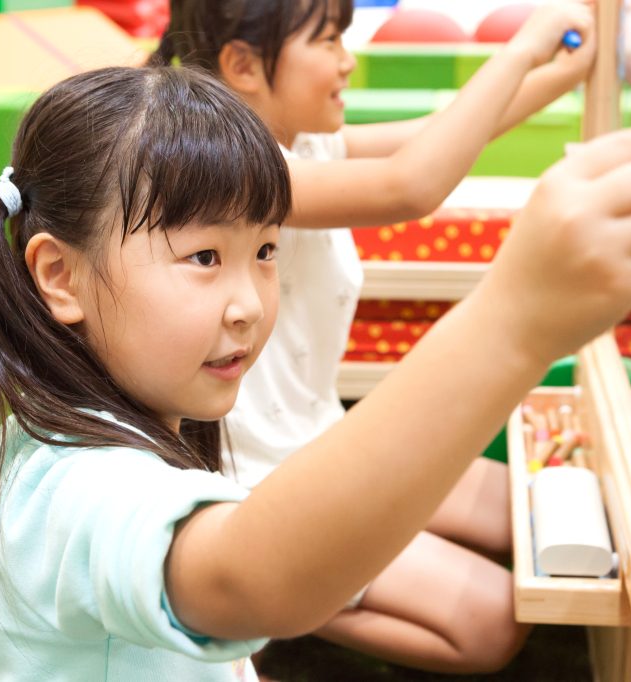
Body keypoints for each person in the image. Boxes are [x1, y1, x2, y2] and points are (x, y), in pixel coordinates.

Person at [0, 62, 631, 679]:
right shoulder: (72, 483)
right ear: (60, 276)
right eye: (204, 259)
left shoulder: (126, 429)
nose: (248, 302)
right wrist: (513, 320)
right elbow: (252, 580)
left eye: (266, 252)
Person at [152, 0, 597, 671]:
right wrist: (522, 50)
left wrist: (568, 68)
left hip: (319, 435)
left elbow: (441, 133)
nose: (347, 60)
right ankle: (268, 596)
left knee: (524, 514)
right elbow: (408, 185)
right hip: (259, 480)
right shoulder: (236, 170)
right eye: (328, 41)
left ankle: (290, 582)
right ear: (242, 65)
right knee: (491, 625)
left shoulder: (306, 144)